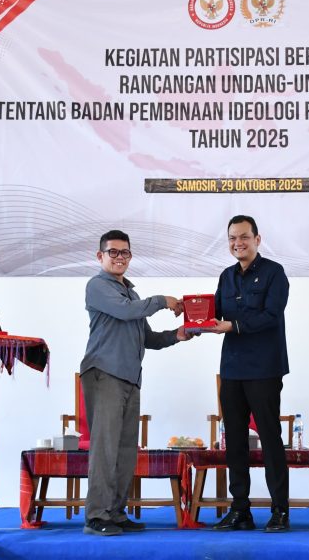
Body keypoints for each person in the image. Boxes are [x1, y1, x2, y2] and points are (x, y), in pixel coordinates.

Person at [80, 229, 190, 536]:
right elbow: (125, 312)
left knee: (126, 449)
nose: (119, 258)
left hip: (130, 378)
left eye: (125, 252)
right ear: (100, 256)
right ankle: (96, 517)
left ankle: (115, 512)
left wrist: (177, 335)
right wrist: (163, 301)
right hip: (105, 373)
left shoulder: (132, 294)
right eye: (113, 252)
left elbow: (147, 338)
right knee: (105, 448)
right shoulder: (97, 286)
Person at [207, 215, 291, 533]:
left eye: (243, 236)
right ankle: (240, 510)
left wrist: (234, 326)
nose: (237, 243)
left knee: (269, 439)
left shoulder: (274, 273)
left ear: (257, 239)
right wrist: (191, 313)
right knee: (235, 442)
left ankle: (280, 511)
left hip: (264, 369)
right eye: (232, 238)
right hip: (231, 369)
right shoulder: (226, 276)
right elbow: (214, 312)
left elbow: (272, 315)